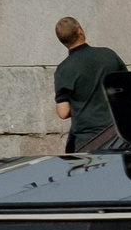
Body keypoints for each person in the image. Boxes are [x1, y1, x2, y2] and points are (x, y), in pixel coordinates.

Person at [51, 18, 127, 154]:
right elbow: (127, 88)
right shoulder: (108, 54)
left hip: (87, 142)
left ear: (62, 41)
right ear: (80, 31)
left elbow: (63, 113)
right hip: (118, 135)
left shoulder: (63, 69)